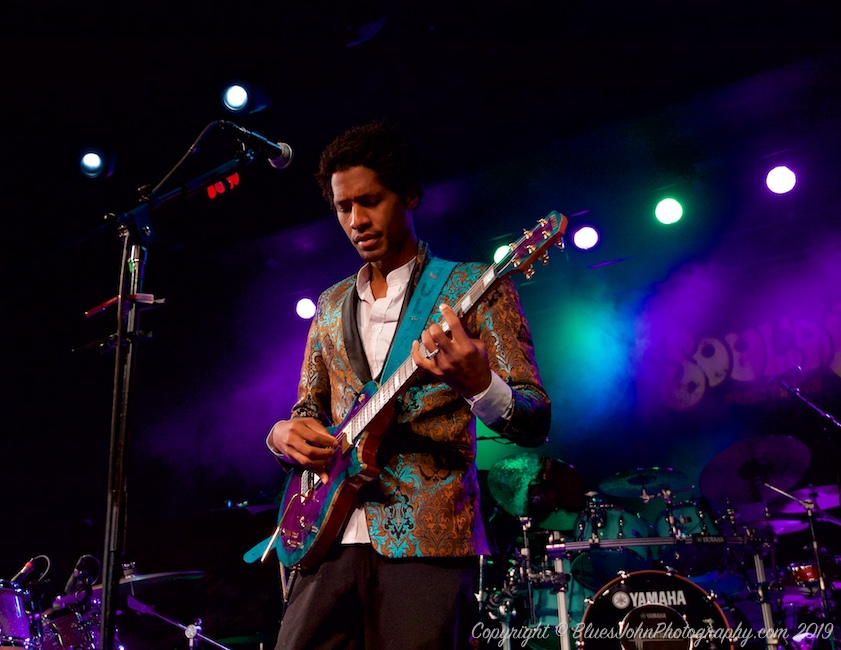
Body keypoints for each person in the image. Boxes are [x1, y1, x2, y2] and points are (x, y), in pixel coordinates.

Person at [266, 121, 551, 649]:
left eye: (369, 201)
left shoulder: (471, 287)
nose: (355, 221)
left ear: (411, 195)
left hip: (430, 541)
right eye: (343, 208)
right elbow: (308, 405)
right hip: (328, 536)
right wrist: (282, 435)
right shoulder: (328, 307)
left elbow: (534, 418)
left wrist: (478, 383)